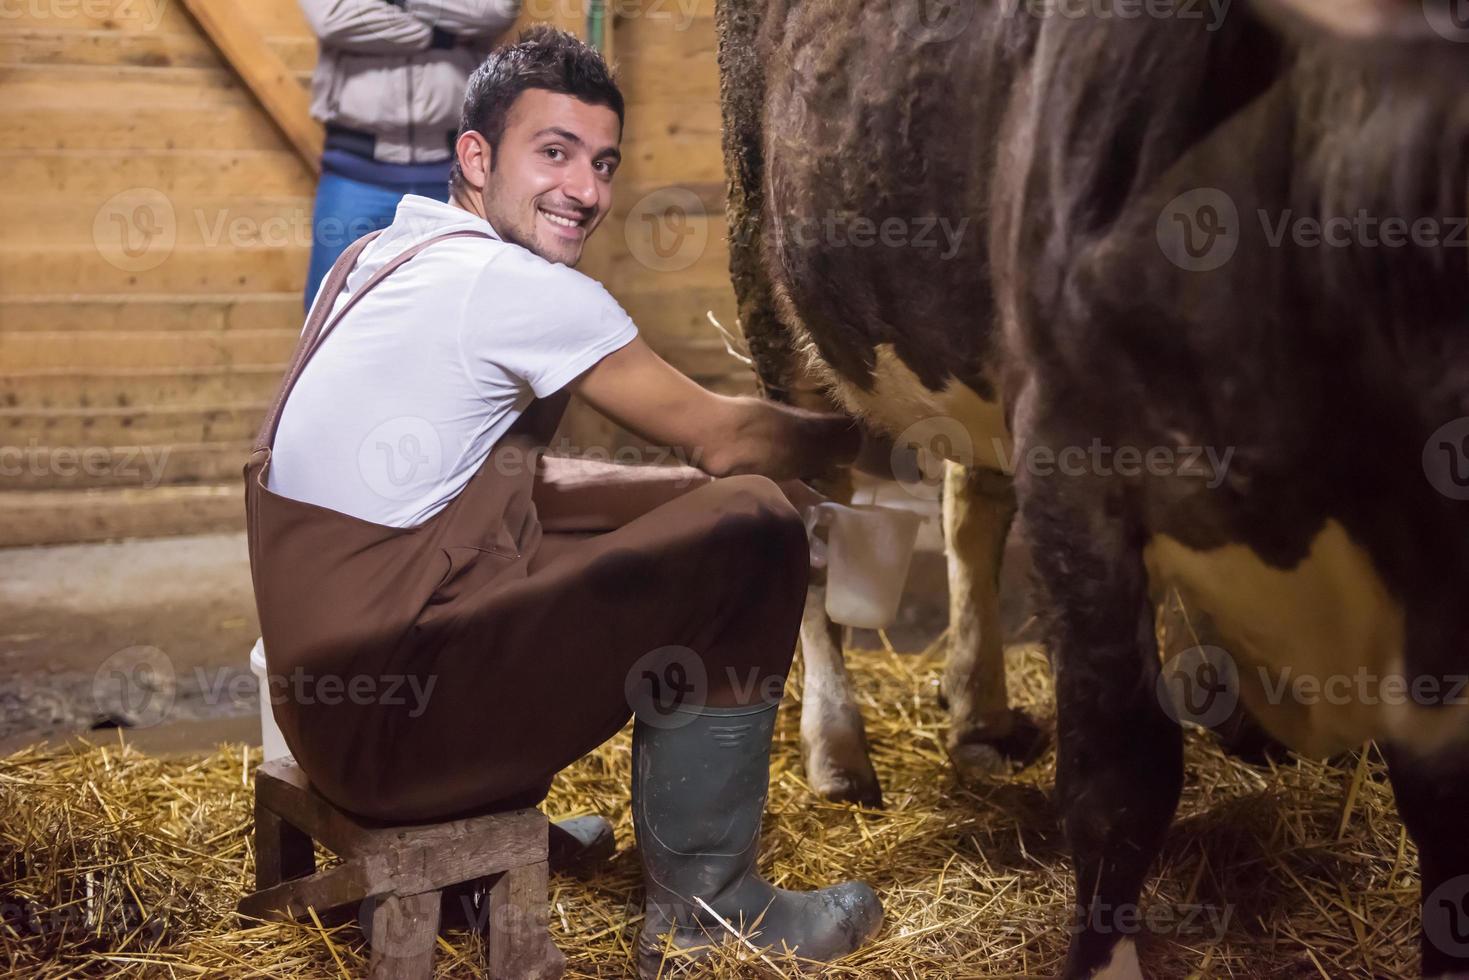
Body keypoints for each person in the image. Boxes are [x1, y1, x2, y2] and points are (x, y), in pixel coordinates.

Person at [246, 27, 883, 975]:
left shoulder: (378, 261)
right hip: (398, 737)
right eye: (553, 153)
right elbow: (726, 436)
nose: (584, 190)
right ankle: (707, 916)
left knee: (699, 507)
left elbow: (504, 485)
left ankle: (488, 835)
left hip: (331, 716)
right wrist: (878, 432)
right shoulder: (513, 289)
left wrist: (683, 492)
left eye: (602, 163)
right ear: (475, 156)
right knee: (754, 530)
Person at [297, 0, 520, 309]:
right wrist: (444, 37)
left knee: (460, 308)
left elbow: (495, 11)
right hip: (354, 172)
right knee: (330, 312)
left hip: (456, 174)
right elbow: (333, 17)